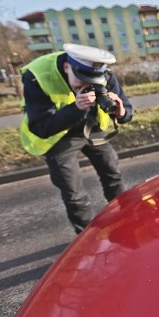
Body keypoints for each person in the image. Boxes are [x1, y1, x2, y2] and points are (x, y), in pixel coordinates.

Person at [19, 43, 133, 234]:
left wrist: (121, 112)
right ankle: (87, 241)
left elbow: (127, 110)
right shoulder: (37, 75)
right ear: (66, 67)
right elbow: (41, 127)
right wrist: (75, 108)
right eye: (81, 84)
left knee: (113, 175)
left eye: (92, 85)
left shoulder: (104, 74)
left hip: (92, 128)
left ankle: (126, 221)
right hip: (57, 136)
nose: (87, 88)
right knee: (74, 194)